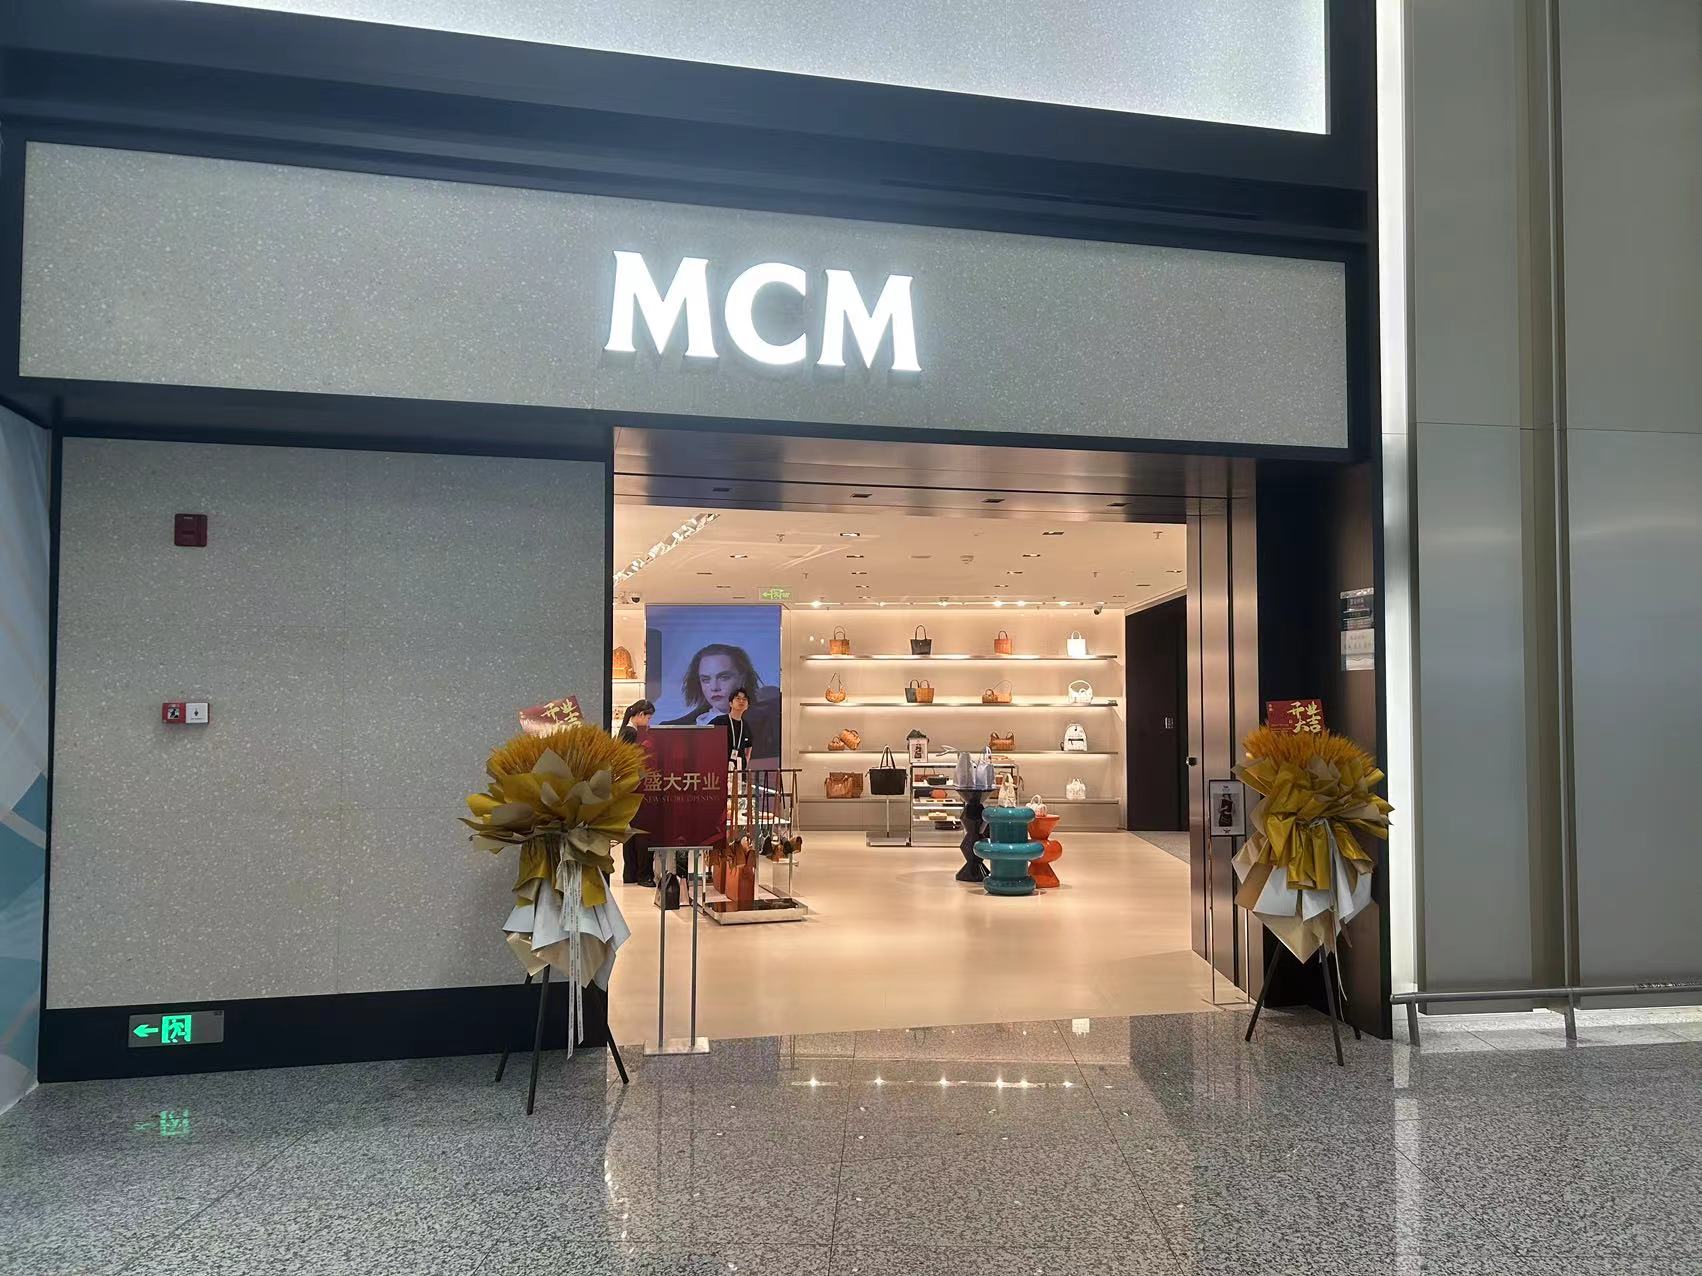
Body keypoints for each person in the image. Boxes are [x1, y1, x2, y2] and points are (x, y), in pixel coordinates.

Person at [616, 700, 657, 885]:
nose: (649, 722)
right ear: (640, 715)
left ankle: (631, 874)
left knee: (631, 832)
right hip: (636, 787)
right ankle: (643, 874)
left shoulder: (626, 731)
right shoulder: (632, 733)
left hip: (628, 788)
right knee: (641, 832)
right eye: (648, 718)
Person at [710, 687, 755, 770]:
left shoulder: (746, 726)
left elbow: (748, 750)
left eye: (744, 699)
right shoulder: (719, 721)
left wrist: (744, 764)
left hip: (739, 770)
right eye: (738, 698)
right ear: (730, 704)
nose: (741, 701)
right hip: (720, 768)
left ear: (747, 706)